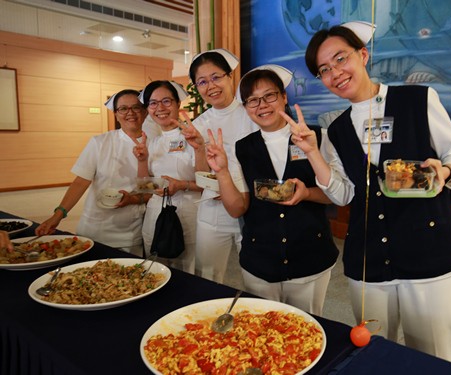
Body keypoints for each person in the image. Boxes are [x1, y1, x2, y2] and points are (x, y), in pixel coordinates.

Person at [287, 21, 451, 361]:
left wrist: (445, 170)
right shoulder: (337, 127)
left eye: (340, 59)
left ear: (363, 55)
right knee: (374, 352)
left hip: (427, 251)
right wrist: (313, 151)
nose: (335, 73)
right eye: (324, 70)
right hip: (368, 259)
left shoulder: (417, 99)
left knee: (435, 356)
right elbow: (343, 194)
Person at [204, 65, 340, 315]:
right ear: (246, 108)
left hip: (310, 256)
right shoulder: (241, 148)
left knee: (306, 330)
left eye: (269, 95)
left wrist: (307, 193)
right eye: (252, 100)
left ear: (284, 97)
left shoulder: (318, 136)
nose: (262, 105)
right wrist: (222, 171)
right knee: (262, 334)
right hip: (260, 261)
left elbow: (338, 196)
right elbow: (237, 209)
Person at [36, 89, 150, 256]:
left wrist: (133, 199)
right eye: (123, 108)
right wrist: (58, 215)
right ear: (116, 114)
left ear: (145, 111)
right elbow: (81, 181)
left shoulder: (155, 144)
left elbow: (152, 189)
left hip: (133, 231)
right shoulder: (100, 142)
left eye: (136, 107)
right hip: (95, 227)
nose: (130, 113)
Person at [186, 48, 258, 283]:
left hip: (252, 208)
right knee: (207, 277)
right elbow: (201, 176)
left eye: (216, 77)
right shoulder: (199, 124)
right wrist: (198, 147)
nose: (211, 86)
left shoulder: (252, 113)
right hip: (213, 212)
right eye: (202, 82)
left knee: (255, 276)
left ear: (230, 77)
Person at [134, 80, 204, 274]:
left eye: (166, 101)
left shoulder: (193, 138)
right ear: (148, 109)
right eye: (153, 103)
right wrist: (142, 160)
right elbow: (144, 186)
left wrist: (182, 185)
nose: (160, 108)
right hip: (156, 214)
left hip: (189, 214)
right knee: (155, 270)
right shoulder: (152, 142)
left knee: (188, 272)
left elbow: (208, 182)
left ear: (177, 104)